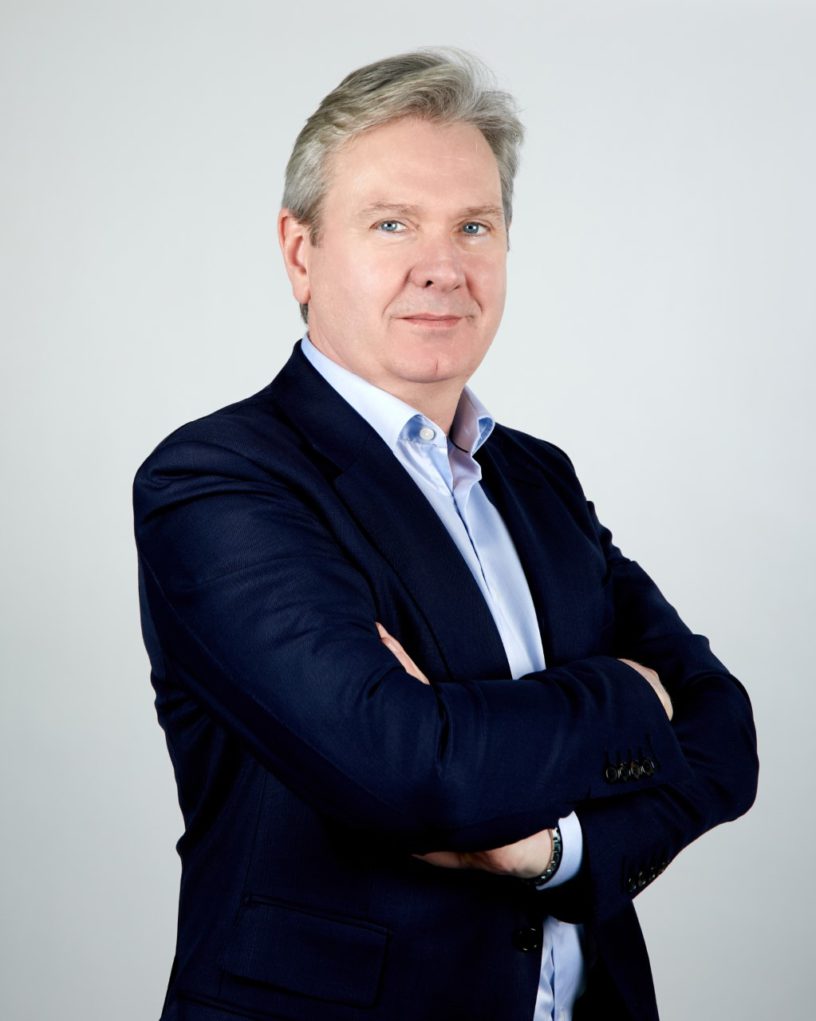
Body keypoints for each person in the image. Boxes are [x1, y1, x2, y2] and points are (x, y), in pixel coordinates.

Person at [133, 49, 758, 1021]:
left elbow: (725, 732)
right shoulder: (219, 481)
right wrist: (634, 693)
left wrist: (556, 850)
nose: (444, 266)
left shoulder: (538, 477)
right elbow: (411, 775)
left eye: (474, 225)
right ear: (301, 252)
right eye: (392, 224)